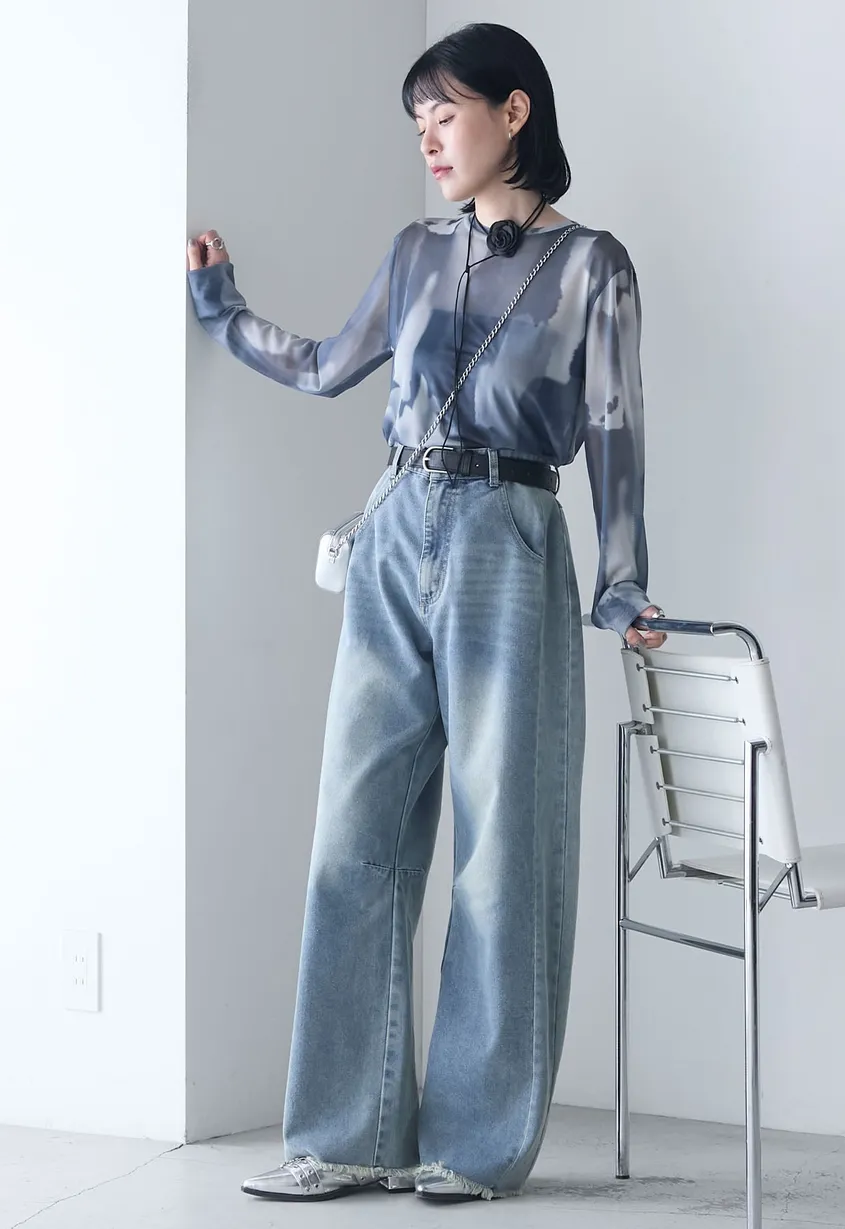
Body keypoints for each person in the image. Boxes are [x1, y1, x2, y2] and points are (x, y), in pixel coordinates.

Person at [185, 20, 666, 1206]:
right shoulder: (413, 252)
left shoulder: (592, 265)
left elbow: (615, 428)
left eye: (445, 114)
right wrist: (221, 308)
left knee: (503, 848)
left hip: (512, 533)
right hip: (396, 526)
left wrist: (621, 582)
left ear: (514, 111)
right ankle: (343, 1133)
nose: (429, 141)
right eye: (417, 124)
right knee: (354, 835)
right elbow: (325, 366)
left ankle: (475, 1142)